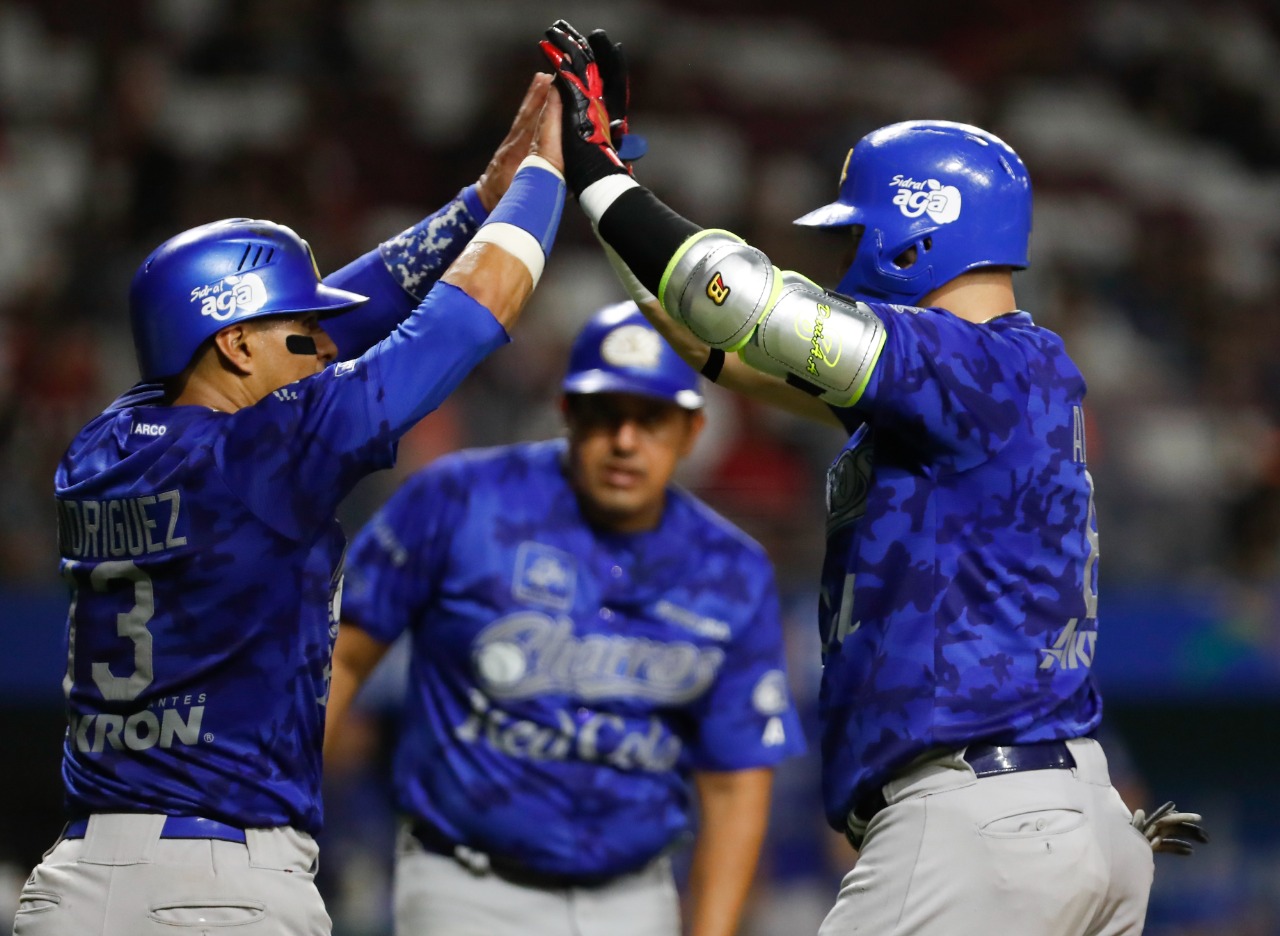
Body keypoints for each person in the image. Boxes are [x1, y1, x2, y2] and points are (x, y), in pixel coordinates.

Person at [537, 20, 1176, 935]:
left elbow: (739, 298)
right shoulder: (995, 381)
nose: (847, 261)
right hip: (1064, 818)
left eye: (859, 238)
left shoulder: (969, 367)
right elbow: (715, 339)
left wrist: (600, 176)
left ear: (915, 240)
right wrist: (610, 202)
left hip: (977, 826)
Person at [13, 74, 566, 936]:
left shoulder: (102, 444)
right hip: (215, 890)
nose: (325, 351)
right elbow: (466, 319)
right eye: (302, 336)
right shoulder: (263, 454)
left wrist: (476, 203)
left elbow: (340, 318)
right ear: (236, 343)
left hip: (75, 883)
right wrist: (547, 178)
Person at [324, 302, 805, 936]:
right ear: (568, 411)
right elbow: (341, 655)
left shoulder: (731, 569)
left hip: (635, 899)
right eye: (605, 413)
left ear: (691, 431)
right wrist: (283, 819)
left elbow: (734, 781)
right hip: (466, 886)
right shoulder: (461, 500)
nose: (625, 440)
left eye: (651, 418)